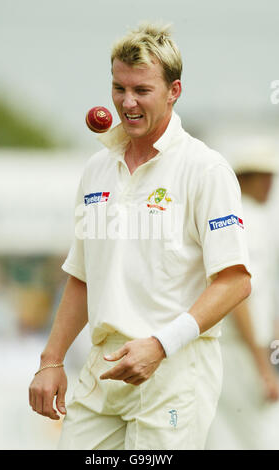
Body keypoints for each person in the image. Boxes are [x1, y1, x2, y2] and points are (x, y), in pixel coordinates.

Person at [29, 23, 251, 450]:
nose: (127, 103)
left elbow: (236, 281)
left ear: (174, 91)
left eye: (142, 91)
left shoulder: (205, 168)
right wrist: (50, 359)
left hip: (175, 365)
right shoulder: (97, 169)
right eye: (118, 88)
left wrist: (160, 346)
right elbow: (82, 276)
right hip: (103, 366)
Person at [206, 141, 279, 450]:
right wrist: (263, 365)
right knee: (253, 437)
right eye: (260, 176)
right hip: (237, 348)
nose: (268, 184)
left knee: (226, 435)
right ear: (244, 179)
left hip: (241, 346)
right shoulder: (246, 221)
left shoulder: (246, 219)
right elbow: (239, 294)